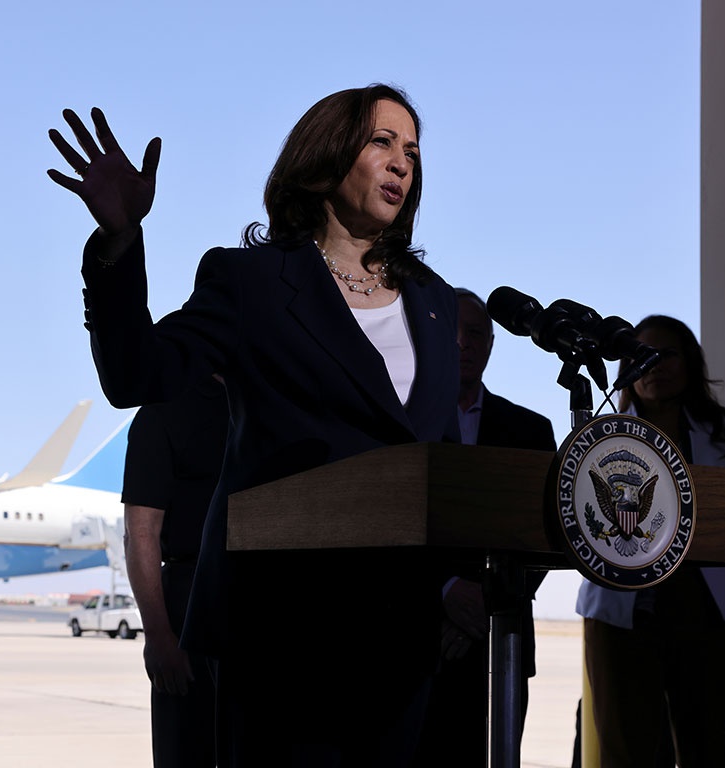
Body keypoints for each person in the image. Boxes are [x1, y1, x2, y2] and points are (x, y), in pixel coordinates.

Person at [48, 83, 461, 766]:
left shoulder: (436, 304)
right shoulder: (253, 282)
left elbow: (441, 459)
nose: (402, 162)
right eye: (382, 142)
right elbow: (136, 377)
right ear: (326, 155)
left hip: (401, 633)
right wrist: (120, 240)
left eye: (413, 152)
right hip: (281, 625)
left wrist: (456, 586)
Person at [576, 314, 725, 768]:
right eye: (640, 357)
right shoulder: (603, 436)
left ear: (690, 362)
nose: (653, 366)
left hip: (709, 613)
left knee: (706, 750)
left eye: (666, 354)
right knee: (624, 752)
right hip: (623, 617)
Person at [413, 288, 556, 766]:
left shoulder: (531, 430)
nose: (463, 342)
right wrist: (444, 591)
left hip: (501, 640)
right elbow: (380, 522)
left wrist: (486, 602)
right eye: (451, 331)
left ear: (492, 345)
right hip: (414, 637)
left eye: (475, 333)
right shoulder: (396, 422)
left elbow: (548, 533)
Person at [121, 376, 229, 768]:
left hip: (254, 595)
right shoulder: (166, 411)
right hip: (189, 602)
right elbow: (140, 533)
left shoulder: (272, 401)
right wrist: (158, 635)